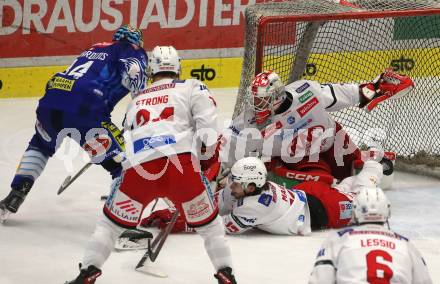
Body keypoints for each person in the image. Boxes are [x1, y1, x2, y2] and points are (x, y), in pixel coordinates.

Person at [65, 46, 237, 284]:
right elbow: (208, 130)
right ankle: (225, 273)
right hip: (182, 169)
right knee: (210, 227)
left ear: (151, 70)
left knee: (109, 225)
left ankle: (88, 271)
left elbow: (127, 137)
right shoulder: (192, 86)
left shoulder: (137, 99)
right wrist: (206, 160)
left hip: (139, 171)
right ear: (178, 67)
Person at [0, 24, 148, 222]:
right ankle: (121, 221)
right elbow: (134, 71)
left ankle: (16, 194)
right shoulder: (133, 50)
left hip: (50, 103)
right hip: (85, 111)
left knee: (41, 145)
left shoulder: (95, 47)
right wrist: (140, 109)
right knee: (121, 164)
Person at [220, 70, 414, 181]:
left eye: (261, 100)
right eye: (255, 99)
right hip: (302, 160)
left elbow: (341, 94)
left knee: (363, 172)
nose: (256, 105)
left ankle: (370, 157)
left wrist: (373, 88)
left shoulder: (305, 91)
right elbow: (229, 145)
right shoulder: (250, 120)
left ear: (276, 96)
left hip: (334, 142)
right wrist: (213, 169)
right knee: (321, 185)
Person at [144, 156, 385, 235]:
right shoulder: (245, 189)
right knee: (345, 187)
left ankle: (376, 161)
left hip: (324, 210)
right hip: (303, 194)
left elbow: (216, 225)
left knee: (365, 193)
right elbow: (214, 204)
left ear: (250, 187)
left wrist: (178, 223)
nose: (230, 184)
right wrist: (184, 207)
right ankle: (352, 178)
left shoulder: (254, 207)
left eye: (235, 182)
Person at [308, 186, 433, 284]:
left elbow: (320, 279)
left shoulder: (338, 239)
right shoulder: (406, 244)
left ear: (355, 211)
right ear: (387, 211)